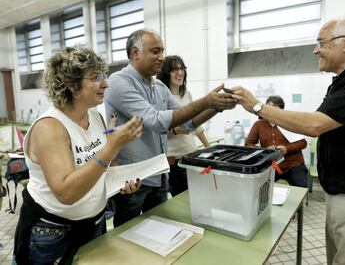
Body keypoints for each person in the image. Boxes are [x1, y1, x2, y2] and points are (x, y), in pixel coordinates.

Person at [233, 15, 345, 265]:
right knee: (341, 258)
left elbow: (314, 125)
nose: (315, 49)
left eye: (322, 42)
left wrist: (257, 106)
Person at [13, 47, 143, 264]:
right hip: (54, 233)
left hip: (94, 222)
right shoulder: (50, 127)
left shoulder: (95, 116)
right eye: (96, 77)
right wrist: (111, 148)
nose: (105, 83)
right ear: (72, 85)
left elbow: (103, 166)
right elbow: (66, 193)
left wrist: (122, 181)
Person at [105, 29, 237, 227]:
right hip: (132, 182)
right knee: (128, 236)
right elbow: (156, 121)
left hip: (158, 176)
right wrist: (206, 101)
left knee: (159, 230)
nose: (161, 58)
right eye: (155, 51)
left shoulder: (158, 87)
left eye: (162, 51)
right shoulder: (119, 82)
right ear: (135, 53)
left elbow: (187, 122)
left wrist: (217, 106)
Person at [156, 55, 210, 196]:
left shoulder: (187, 94)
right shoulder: (160, 98)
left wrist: (208, 147)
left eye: (182, 69)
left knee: (198, 195)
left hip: (192, 155)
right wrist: (177, 131)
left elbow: (196, 124)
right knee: (183, 198)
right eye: (175, 69)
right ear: (166, 73)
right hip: (174, 159)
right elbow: (158, 128)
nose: (180, 73)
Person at [245, 96, 308, 187]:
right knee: (258, 187)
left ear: (281, 110)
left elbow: (303, 143)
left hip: (293, 165)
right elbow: (248, 144)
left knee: (301, 188)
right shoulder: (259, 124)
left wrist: (286, 149)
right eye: (268, 106)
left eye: (274, 106)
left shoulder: (289, 122)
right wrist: (264, 151)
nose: (270, 109)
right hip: (271, 166)